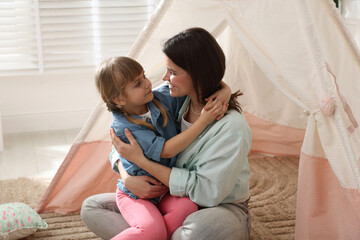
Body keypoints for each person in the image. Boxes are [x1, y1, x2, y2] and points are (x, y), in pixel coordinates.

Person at [81, 27, 252, 240]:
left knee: (201, 230)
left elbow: (207, 194)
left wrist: (142, 163)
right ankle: (154, 232)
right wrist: (127, 177)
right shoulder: (175, 99)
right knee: (91, 206)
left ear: (197, 75)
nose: (163, 77)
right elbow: (123, 145)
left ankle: (152, 233)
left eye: (172, 72)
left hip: (215, 207)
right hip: (166, 198)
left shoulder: (231, 127)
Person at [95, 56, 228, 240]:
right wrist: (204, 121)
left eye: (144, 76)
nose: (147, 83)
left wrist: (226, 89)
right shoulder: (123, 127)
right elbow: (166, 150)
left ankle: (152, 234)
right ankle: (151, 232)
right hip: (136, 195)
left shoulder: (159, 97)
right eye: (137, 84)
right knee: (153, 230)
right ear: (119, 99)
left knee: (188, 207)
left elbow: (196, 82)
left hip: (164, 191)